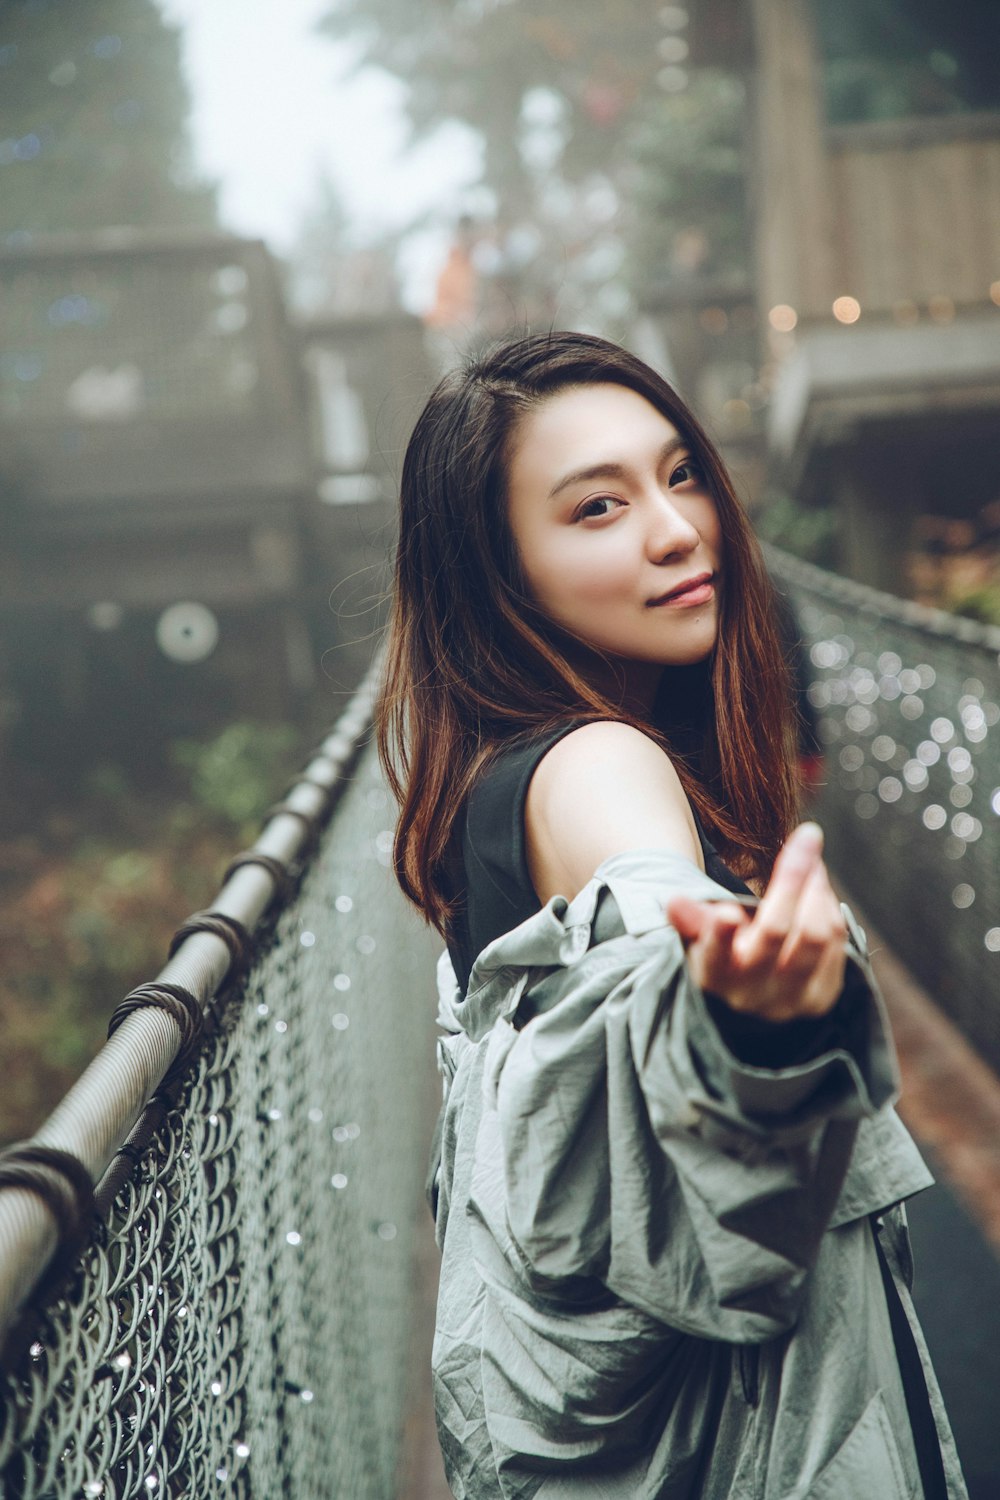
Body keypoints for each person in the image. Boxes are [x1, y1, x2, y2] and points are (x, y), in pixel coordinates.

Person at [375, 332, 966, 1499]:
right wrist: (752, 1030)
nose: (676, 527)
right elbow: (658, 946)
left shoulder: (490, 784)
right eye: (596, 508)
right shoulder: (602, 764)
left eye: (679, 472)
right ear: (501, 574)